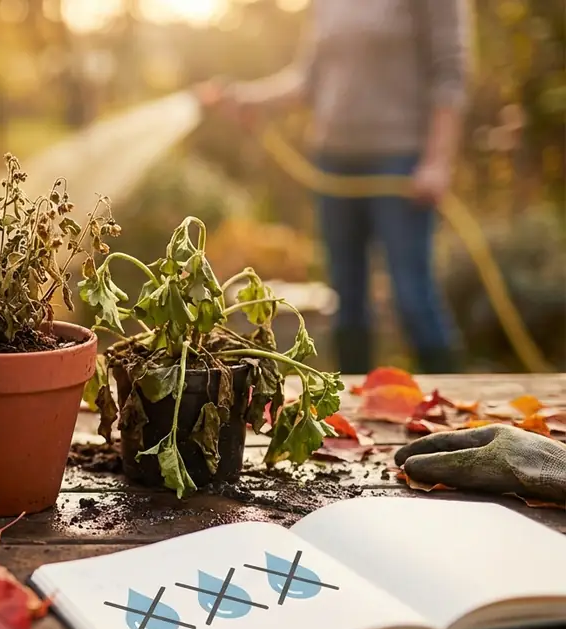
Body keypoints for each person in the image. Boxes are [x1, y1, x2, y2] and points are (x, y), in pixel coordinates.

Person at [200, 0, 472, 374]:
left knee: (412, 296)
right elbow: (308, 79)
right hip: (333, 160)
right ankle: (352, 400)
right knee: (346, 298)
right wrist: (247, 98)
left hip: (401, 162)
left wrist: (438, 161)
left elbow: (450, 73)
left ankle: (452, 398)